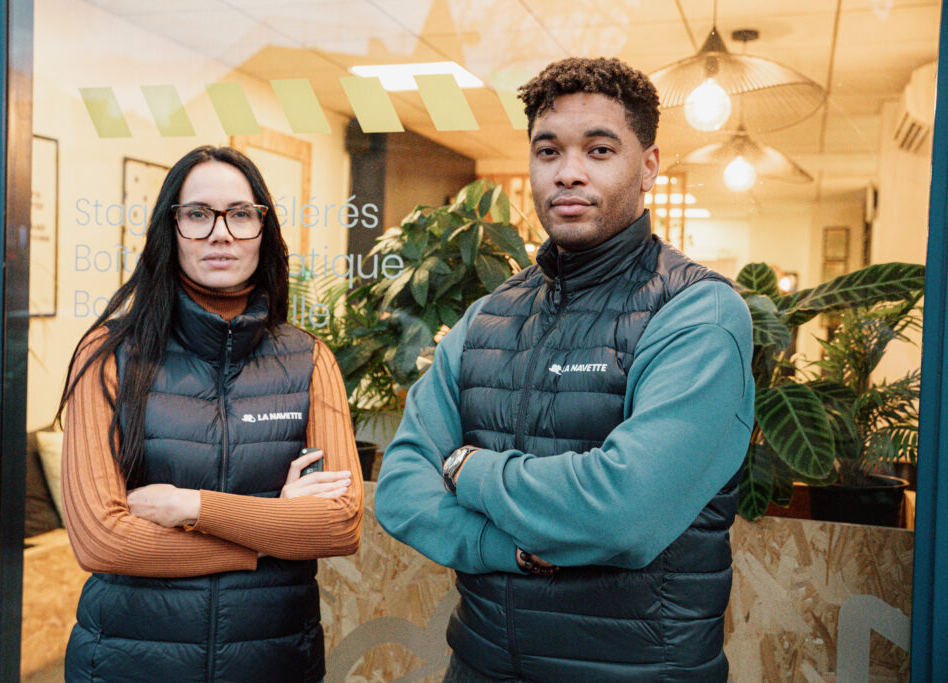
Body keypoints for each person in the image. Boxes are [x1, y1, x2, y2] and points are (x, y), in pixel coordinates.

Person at [374, 57, 754, 682]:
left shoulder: (698, 314)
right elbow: (402, 487)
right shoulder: (486, 318)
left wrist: (467, 466)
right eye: (548, 152)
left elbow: (621, 510)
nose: (569, 173)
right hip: (481, 665)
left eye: (599, 150)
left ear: (649, 165)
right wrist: (508, 551)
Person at [58, 145, 363, 683]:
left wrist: (189, 504)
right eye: (197, 214)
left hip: (271, 662)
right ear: (169, 229)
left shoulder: (309, 360)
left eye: (240, 214)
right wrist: (272, 528)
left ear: (263, 230)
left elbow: (338, 526)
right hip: (128, 662)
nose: (220, 233)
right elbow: (101, 538)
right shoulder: (109, 356)